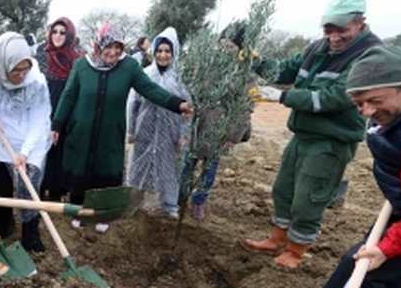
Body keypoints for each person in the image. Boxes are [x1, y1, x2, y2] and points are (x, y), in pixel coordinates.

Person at [279, 45, 401, 288]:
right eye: (360, 104)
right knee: (391, 262)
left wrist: (388, 246)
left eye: (375, 101)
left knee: (364, 263)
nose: (368, 112)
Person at [241, 0, 382, 269]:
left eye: (341, 30)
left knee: (309, 197)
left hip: (331, 140)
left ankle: (295, 251)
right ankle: (277, 238)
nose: (334, 37)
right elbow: (282, 70)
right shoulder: (318, 48)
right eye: (329, 30)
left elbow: (334, 97)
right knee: (284, 189)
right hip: (303, 134)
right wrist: (253, 58)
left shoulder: (369, 56)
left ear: (360, 22)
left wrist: (283, 97)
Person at [52, 23, 192, 233]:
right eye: (109, 46)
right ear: (99, 45)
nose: (114, 52)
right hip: (81, 131)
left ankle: (103, 215)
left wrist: (177, 104)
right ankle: (79, 211)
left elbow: (150, 89)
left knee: (106, 171)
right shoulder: (82, 65)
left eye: (118, 47)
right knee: (80, 169)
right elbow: (69, 95)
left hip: (111, 132)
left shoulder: (128, 68)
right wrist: (57, 124)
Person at [0, 32, 51, 252]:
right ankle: (3, 226)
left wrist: (25, 152)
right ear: (2, 65)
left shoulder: (36, 81)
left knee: (29, 189)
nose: (21, 75)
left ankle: (30, 234)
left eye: (24, 69)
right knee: (2, 183)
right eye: (15, 70)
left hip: (31, 139)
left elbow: (39, 120)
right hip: (2, 137)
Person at [182, 21, 254, 222]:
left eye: (230, 46)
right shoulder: (207, 66)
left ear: (239, 49)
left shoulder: (243, 73)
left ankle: (198, 201)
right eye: (222, 45)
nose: (225, 50)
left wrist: (233, 135)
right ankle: (180, 196)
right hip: (197, 126)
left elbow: (245, 107)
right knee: (187, 164)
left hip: (219, 131)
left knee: (209, 169)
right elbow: (191, 91)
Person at [126, 27, 190, 218]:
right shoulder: (144, 74)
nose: (163, 55)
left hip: (170, 132)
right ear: (154, 52)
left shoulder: (181, 79)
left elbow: (189, 109)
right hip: (143, 129)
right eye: (159, 51)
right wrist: (131, 130)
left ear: (174, 53)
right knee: (138, 165)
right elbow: (133, 104)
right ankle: (133, 202)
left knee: (169, 167)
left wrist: (183, 134)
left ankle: (170, 205)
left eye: (167, 51)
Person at [35, 17, 82, 200]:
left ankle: (56, 192)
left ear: (69, 34)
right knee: (41, 151)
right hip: (42, 111)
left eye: (63, 32)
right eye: (54, 31)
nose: (58, 35)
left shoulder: (76, 60)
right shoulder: (41, 56)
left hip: (65, 112)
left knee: (60, 151)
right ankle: (38, 190)